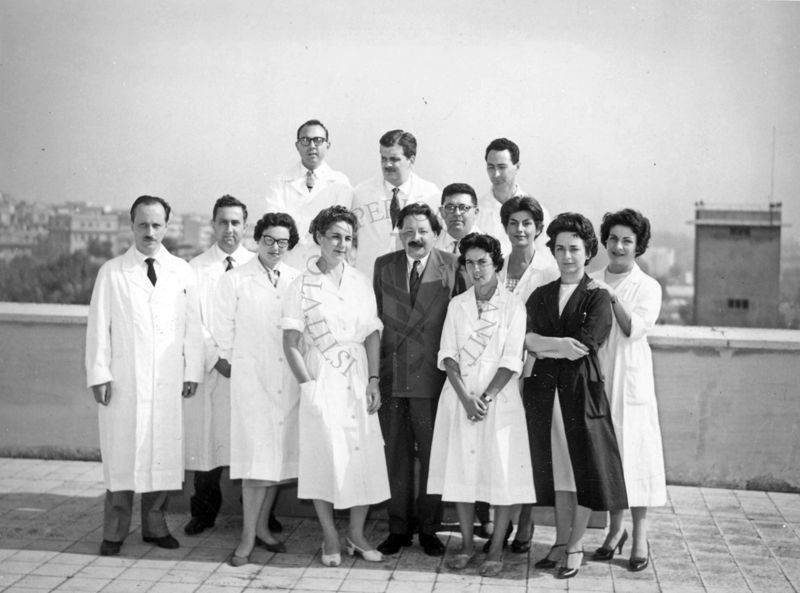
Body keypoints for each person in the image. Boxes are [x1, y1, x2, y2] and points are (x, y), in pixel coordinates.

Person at [85, 195, 203, 557]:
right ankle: (115, 531)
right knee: (123, 456)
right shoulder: (112, 272)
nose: (149, 232)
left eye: (156, 225)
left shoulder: (182, 271)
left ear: (167, 226)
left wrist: (192, 370)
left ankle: (154, 525)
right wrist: (99, 374)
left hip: (168, 381)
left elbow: (193, 328)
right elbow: (97, 327)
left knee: (162, 455)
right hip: (124, 383)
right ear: (131, 225)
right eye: (142, 224)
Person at [282, 205, 389, 567]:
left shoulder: (360, 281)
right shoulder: (302, 284)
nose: (342, 244)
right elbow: (291, 344)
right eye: (334, 236)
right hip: (322, 375)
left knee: (363, 456)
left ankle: (356, 535)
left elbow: (372, 333)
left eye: (348, 238)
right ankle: (329, 535)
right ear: (318, 238)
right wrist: (309, 388)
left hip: (357, 374)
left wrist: (374, 380)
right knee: (323, 456)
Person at [524, 212, 627, 579]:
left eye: (575, 249)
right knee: (559, 474)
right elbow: (526, 339)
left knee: (581, 471)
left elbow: (583, 346)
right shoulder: (541, 294)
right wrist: (551, 344)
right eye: (560, 248)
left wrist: (544, 344)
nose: (567, 256)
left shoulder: (597, 296)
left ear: (588, 253)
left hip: (581, 394)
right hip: (545, 394)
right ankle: (559, 540)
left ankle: (575, 545)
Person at [428, 233, 535, 578]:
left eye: (482, 262)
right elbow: (447, 354)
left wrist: (484, 399)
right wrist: (465, 397)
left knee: (500, 474)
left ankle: (496, 549)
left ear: (496, 264)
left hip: (498, 402)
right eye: (469, 262)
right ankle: (468, 546)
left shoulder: (513, 305)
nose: (475, 269)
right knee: (461, 472)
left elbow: (511, 360)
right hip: (460, 398)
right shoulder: (457, 304)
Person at [373, 202, 464, 557]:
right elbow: (377, 320)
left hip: (432, 379)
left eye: (423, 231)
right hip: (393, 376)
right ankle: (398, 528)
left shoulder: (452, 266)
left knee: (432, 457)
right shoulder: (384, 265)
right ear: (398, 233)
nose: (415, 238)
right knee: (394, 456)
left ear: (435, 233)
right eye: (408, 231)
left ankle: (428, 529)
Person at [214, 212, 302, 566]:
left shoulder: (298, 279)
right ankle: (247, 539)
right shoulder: (235, 280)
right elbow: (223, 335)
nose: (275, 247)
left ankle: (264, 529)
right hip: (252, 385)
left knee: (277, 464)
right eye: (269, 240)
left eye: (283, 242)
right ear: (257, 239)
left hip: (288, 384)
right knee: (255, 466)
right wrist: (246, 370)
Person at [589, 208, 666, 572]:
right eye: (613, 239)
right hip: (597, 377)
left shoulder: (648, 286)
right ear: (605, 241)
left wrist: (611, 296)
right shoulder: (590, 279)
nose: (618, 246)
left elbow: (633, 328)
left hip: (631, 378)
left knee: (635, 456)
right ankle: (614, 529)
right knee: (608, 455)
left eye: (627, 241)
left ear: (639, 247)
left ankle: (639, 534)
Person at [183, 195, 255, 537]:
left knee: (248, 445)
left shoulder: (256, 265)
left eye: (236, 222)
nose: (229, 229)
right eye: (223, 222)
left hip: (248, 371)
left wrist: (242, 359)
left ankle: (257, 515)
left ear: (245, 225)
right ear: (213, 225)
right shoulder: (196, 268)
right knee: (209, 444)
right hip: (214, 370)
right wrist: (218, 358)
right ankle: (204, 512)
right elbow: (194, 321)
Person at [494, 195, 560, 552]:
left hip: (532, 371)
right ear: (505, 227)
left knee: (530, 448)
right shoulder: (497, 266)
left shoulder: (548, 271)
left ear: (538, 229)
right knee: (500, 446)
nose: (520, 230)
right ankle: (499, 523)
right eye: (514, 223)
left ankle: (526, 521)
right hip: (497, 371)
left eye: (527, 224)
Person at [351, 129, 440, 279]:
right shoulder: (361, 193)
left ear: (411, 160)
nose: (387, 164)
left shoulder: (431, 195)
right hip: (369, 279)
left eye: (394, 159)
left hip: (414, 281)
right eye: (383, 158)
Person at [265, 119, 353, 270]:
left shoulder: (341, 182)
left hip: (326, 264)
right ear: (297, 145)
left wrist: (294, 223)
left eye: (318, 140)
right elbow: (275, 226)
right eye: (305, 140)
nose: (312, 146)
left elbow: (337, 228)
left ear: (328, 145)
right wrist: (316, 224)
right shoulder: (279, 182)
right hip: (288, 263)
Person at [476, 138, 550, 255]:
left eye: (502, 167)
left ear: (517, 167)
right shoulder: (476, 212)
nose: (496, 174)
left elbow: (547, 259)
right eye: (491, 167)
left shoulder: (537, 211)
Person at [435, 183, 481, 254]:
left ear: (476, 212)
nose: (457, 213)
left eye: (463, 208)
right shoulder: (431, 244)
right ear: (441, 212)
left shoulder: (489, 246)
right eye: (450, 207)